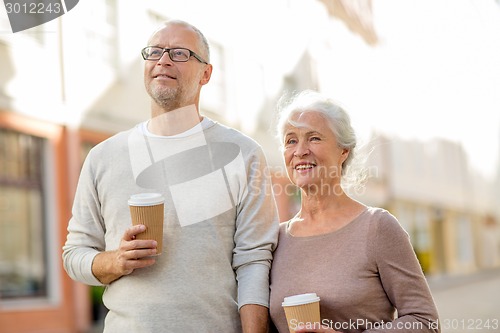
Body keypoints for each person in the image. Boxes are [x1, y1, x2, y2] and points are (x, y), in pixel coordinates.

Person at [63, 19, 279, 333]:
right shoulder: (103, 156)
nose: (163, 60)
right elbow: (75, 254)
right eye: (155, 52)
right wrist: (115, 260)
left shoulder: (243, 154)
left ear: (206, 73)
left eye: (179, 53)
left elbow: (254, 261)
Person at [269, 90, 440, 333]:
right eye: (291, 140)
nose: (300, 151)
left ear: (343, 151)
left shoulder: (377, 227)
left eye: (314, 138)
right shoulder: (275, 240)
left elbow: (426, 322)